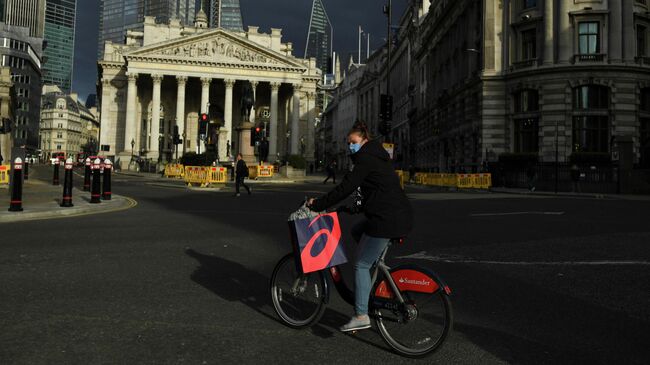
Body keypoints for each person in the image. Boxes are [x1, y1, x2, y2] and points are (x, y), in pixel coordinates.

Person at [307, 121, 413, 332]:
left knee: (361, 264)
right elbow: (374, 190)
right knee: (357, 231)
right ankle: (372, 280)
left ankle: (361, 315)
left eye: (353, 142)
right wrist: (351, 209)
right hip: (394, 214)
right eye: (348, 144)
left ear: (364, 140)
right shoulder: (376, 155)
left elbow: (346, 187)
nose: (350, 147)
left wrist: (318, 204)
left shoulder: (365, 157)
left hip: (386, 219)